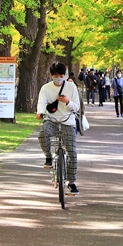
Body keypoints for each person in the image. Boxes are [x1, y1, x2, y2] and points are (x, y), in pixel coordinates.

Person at [36, 62, 80, 195]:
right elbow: (42, 102)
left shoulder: (71, 87)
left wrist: (67, 101)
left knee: (72, 152)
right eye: (56, 75)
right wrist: (40, 112)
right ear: (51, 75)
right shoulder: (46, 88)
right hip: (52, 119)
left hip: (68, 121)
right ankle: (48, 157)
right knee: (42, 134)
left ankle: (71, 183)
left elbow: (77, 107)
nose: (59, 78)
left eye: (61, 75)